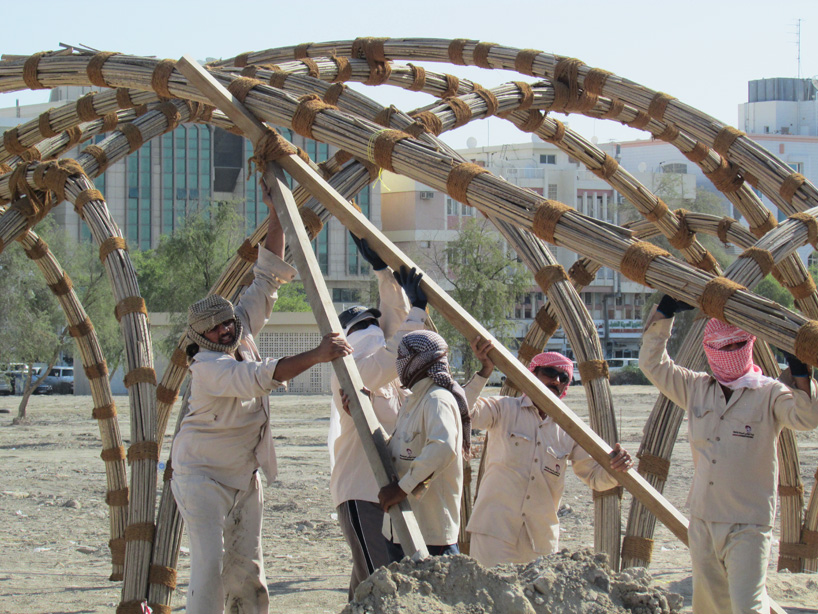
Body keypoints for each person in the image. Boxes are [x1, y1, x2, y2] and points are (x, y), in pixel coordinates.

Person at [170, 187, 353, 614]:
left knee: (248, 571)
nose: (225, 331)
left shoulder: (241, 327)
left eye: (227, 323)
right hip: (201, 478)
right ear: (202, 337)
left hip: (244, 474)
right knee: (209, 567)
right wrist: (318, 354)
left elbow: (267, 275)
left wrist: (275, 214)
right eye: (215, 330)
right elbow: (258, 378)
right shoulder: (208, 367)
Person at [639, 295, 818, 614]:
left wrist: (799, 368)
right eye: (724, 348)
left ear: (749, 345)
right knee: (709, 606)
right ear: (710, 351)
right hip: (704, 518)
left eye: (738, 346)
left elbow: (805, 418)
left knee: (747, 607)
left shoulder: (769, 392)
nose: (732, 354)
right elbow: (653, 364)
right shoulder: (696, 388)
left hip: (748, 522)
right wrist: (664, 313)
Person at [464, 338, 632, 567]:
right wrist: (485, 371)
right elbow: (463, 412)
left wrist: (617, 470)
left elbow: (594, 477)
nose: (556, 380)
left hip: (539, 542)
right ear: (533, 374)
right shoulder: (503, 409)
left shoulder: (570, 429)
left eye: (564, 378)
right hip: (494, 532)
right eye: (550, 373)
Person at [328, 236, 428, 599]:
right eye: (364, 326)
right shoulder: (353, 370)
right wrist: (416, 311)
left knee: (370, 584)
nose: (372, 328)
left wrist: (382, 272)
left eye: (374, 322)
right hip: (360, 493)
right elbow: (393, 342)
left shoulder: (390, 375)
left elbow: (393, 322)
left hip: (391, 493)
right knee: (377, 586)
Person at [348, 329, 466, 560]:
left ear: (417, 360)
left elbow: (443, 448)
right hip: (399, 531)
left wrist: (402, 489)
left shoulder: (437, 400)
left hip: (430, 535)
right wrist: (361, 413)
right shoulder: (414, 400)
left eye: (402, 357)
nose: (398, 363)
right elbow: (396, 450)